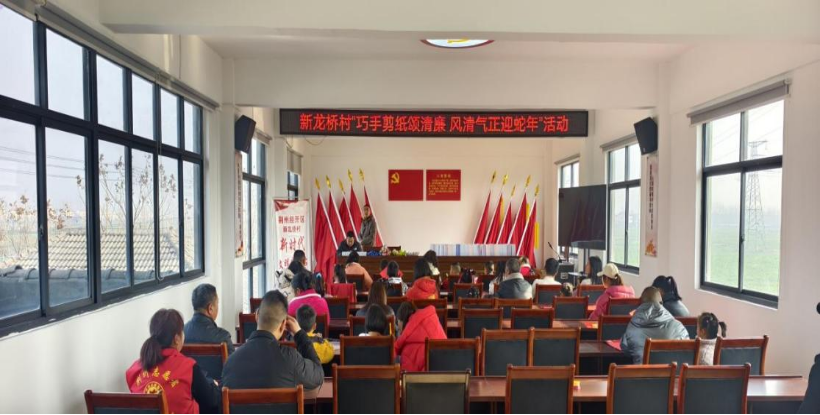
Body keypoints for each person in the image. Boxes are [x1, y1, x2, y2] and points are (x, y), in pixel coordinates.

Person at [222, 291, 324, 390]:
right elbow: (318, 374)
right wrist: (299, 334)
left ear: (256, 316)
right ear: (283, 324)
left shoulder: (231, 362)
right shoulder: (291, 360)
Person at [126, 309, 220, 415]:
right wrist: (213, 385)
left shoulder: (135, 368)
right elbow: (211, 402)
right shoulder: (187, 367)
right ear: (176, 338)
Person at [620, 287, 690, 364]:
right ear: (661, 303)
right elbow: (687, 351)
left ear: (641, 304)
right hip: (674, 371)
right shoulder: (678, 326)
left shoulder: (632, 328)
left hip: (643, 371)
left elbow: (626, 349)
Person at [184, 284, 235, 355]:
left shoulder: (181, 333)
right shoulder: (223, 337)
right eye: (217, 303)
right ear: (210, 308)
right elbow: (233, 362)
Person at [395, 302, 447, 372]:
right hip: (449, 374)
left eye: (399, 329)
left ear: (402, 323)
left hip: (427, 378)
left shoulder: (408, 350)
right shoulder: (435, 323)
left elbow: (407, 377)